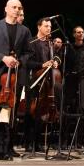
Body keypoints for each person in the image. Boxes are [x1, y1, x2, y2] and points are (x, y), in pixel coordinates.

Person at [0, 0, 31, 160]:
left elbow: (29, 52)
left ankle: (3, 151)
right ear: (6, 9)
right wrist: (3, 58)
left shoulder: (24, 30)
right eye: (14, 7)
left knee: (9, 115)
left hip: (14, 77)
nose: (17, 10)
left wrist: (19, 61)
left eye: (19, 8)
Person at [24, 17, 60, 153]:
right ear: (39, 27)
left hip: (48, 83)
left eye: (50, 26)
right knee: (31, 112)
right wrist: (42, 65)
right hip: (34, 80)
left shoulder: (50, 44)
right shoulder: (31, 42)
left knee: (42, 113)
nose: (49, 29)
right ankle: (28, 143)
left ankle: (38, 142)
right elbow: (27, 62)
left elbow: (57, 57)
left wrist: (56, 62)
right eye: (46, 26)